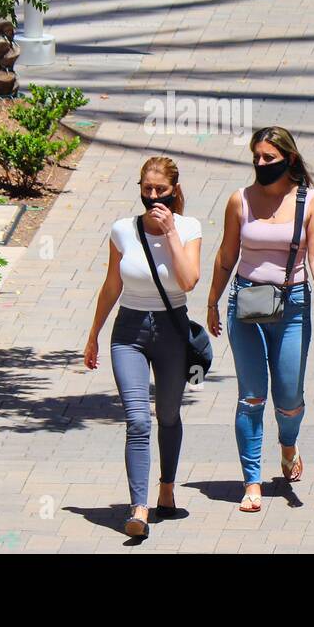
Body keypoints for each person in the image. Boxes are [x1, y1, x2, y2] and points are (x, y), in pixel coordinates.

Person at [206, 127, 314, 513]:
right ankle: (252, 481)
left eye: (268, 159)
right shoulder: (239, 200)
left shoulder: (309, 201)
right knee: (251, 395)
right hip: (247, 302)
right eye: (256, 157)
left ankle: (288, 443)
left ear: (289, 159)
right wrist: (212, 300)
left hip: (292, 303)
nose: (260, 164)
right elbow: (226, 254)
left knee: (289, 397)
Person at [84, 156, 202, 538]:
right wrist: (93, 334)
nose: (153, 198)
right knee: (137, 420)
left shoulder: (188, 228)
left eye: (161, 191)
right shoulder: (122, 230)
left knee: (168, 414)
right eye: (146, 190)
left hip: (172, 330)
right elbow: (111, 286)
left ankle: (166, 487)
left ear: (174, 191)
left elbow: (188, 282)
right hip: (129, 332)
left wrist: (169, 235)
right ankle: (139, 507)